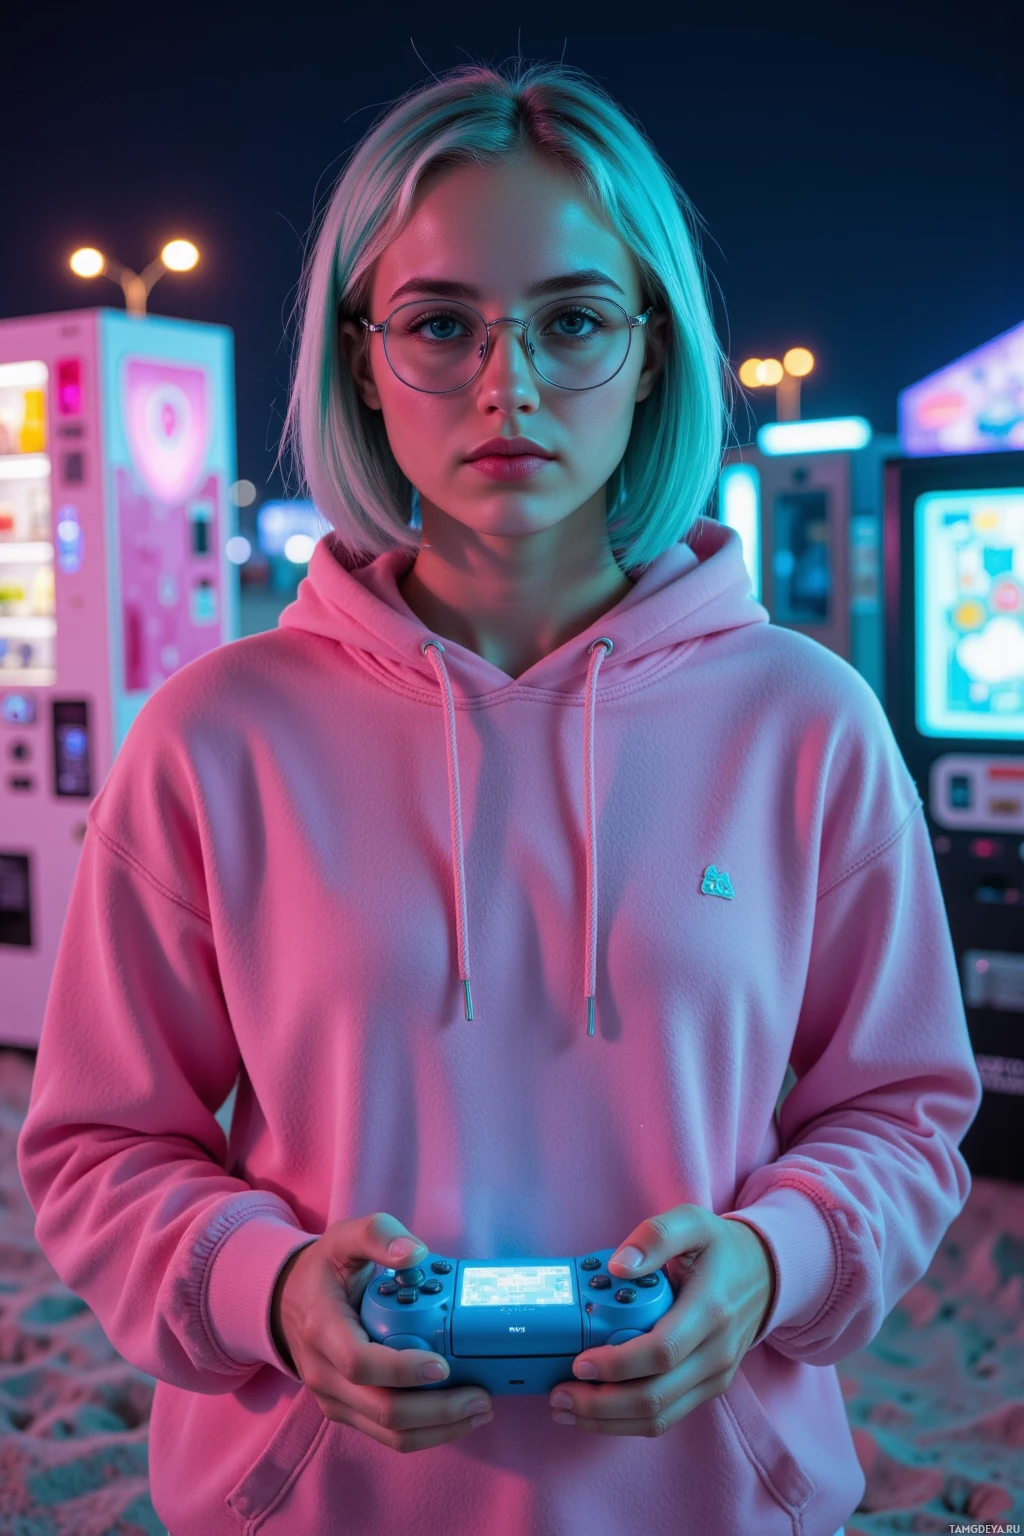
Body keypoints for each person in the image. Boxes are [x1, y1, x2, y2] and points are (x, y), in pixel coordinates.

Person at [17, 58, 981, 1536]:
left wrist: (773, 1261)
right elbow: (98, 1147)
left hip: (712, 1501)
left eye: (573, 321)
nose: (506, 384)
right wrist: (270, 1290)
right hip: (314, 1504)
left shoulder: (809, 724)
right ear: (359, 355)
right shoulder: (214, 738)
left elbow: (904, 1112)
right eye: (442, 324)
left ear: (654, 350)